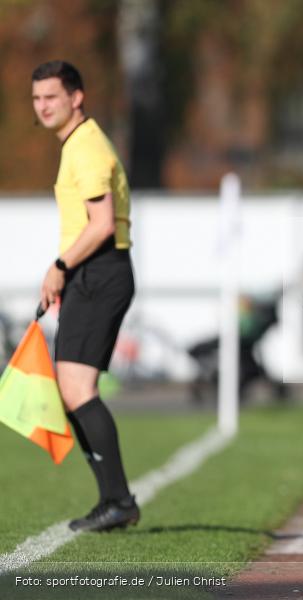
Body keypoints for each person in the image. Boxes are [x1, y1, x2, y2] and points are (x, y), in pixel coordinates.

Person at [32, 60, 140, 529]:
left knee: (78, 389)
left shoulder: (87, 147)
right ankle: (113, 501)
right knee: (71, 389)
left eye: (51, 97)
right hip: (86, 275)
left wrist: (59, 267)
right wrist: (64, 276)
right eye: (36, 99)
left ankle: (119, 500)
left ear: (76, 97)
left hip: (100, 271)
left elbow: (100, 225)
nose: (43, 107)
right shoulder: (76, 144)